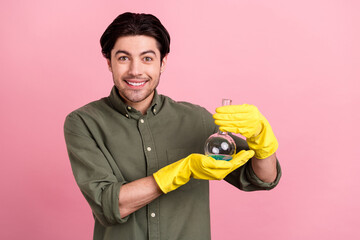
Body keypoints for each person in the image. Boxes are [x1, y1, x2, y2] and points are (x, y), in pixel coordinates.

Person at [64, 12, 282, 240]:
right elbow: (109, 205)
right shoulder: (83, 122)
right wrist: (182, 170)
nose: (135, 70)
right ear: (109, 62)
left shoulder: (197, 120)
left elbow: (263, 178)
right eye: (123, 58)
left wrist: (262, 140)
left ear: (163, 62)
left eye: (147, 58)